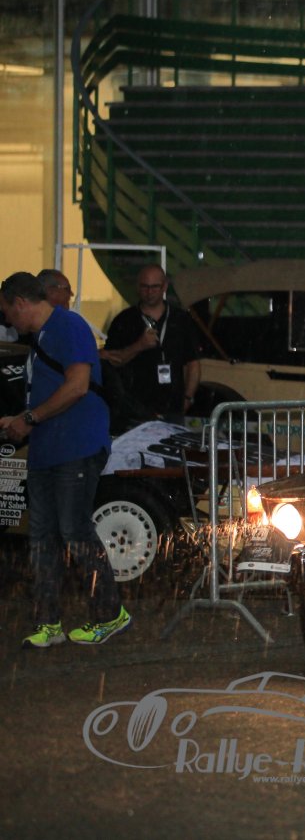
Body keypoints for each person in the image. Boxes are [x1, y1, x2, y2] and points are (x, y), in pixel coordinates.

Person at [0, 272, 130, 648]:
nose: (6, 320)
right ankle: (48, 623)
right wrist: (22, 420)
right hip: (48, 448)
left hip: (75, 446)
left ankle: (109, 614)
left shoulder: (68, 325)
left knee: (74, 530)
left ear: (21, 303)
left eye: (7, 311)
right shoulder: (43, 336)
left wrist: (28, 418)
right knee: (43, 535)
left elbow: (77, 386)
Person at [101, 264, 201, 424]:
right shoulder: (124, 320)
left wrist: (188, 397)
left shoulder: (181, 319)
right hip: (134, 409)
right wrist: (139, 346)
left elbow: (193, 363)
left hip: (173, 407)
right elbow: (113, 361)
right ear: (138, 287)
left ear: (164, 287)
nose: (149, 292)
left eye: (155, 287)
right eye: (145, 287)